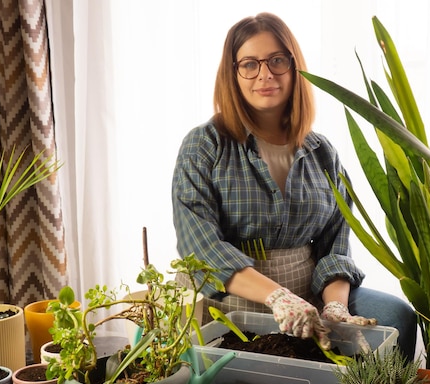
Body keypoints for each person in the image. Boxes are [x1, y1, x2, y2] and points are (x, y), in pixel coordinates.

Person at [171, 12, 417, 359]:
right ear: (233, 73)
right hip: (228, 297)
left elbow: (337, 244)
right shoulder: (204, 145)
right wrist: (278, 297)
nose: (265, 74)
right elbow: (202, 249)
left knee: (398, 317)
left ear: (293, 66)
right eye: (249, 64)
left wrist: (335, 309)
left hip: (309, 296)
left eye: (277, 60)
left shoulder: (322, 152)